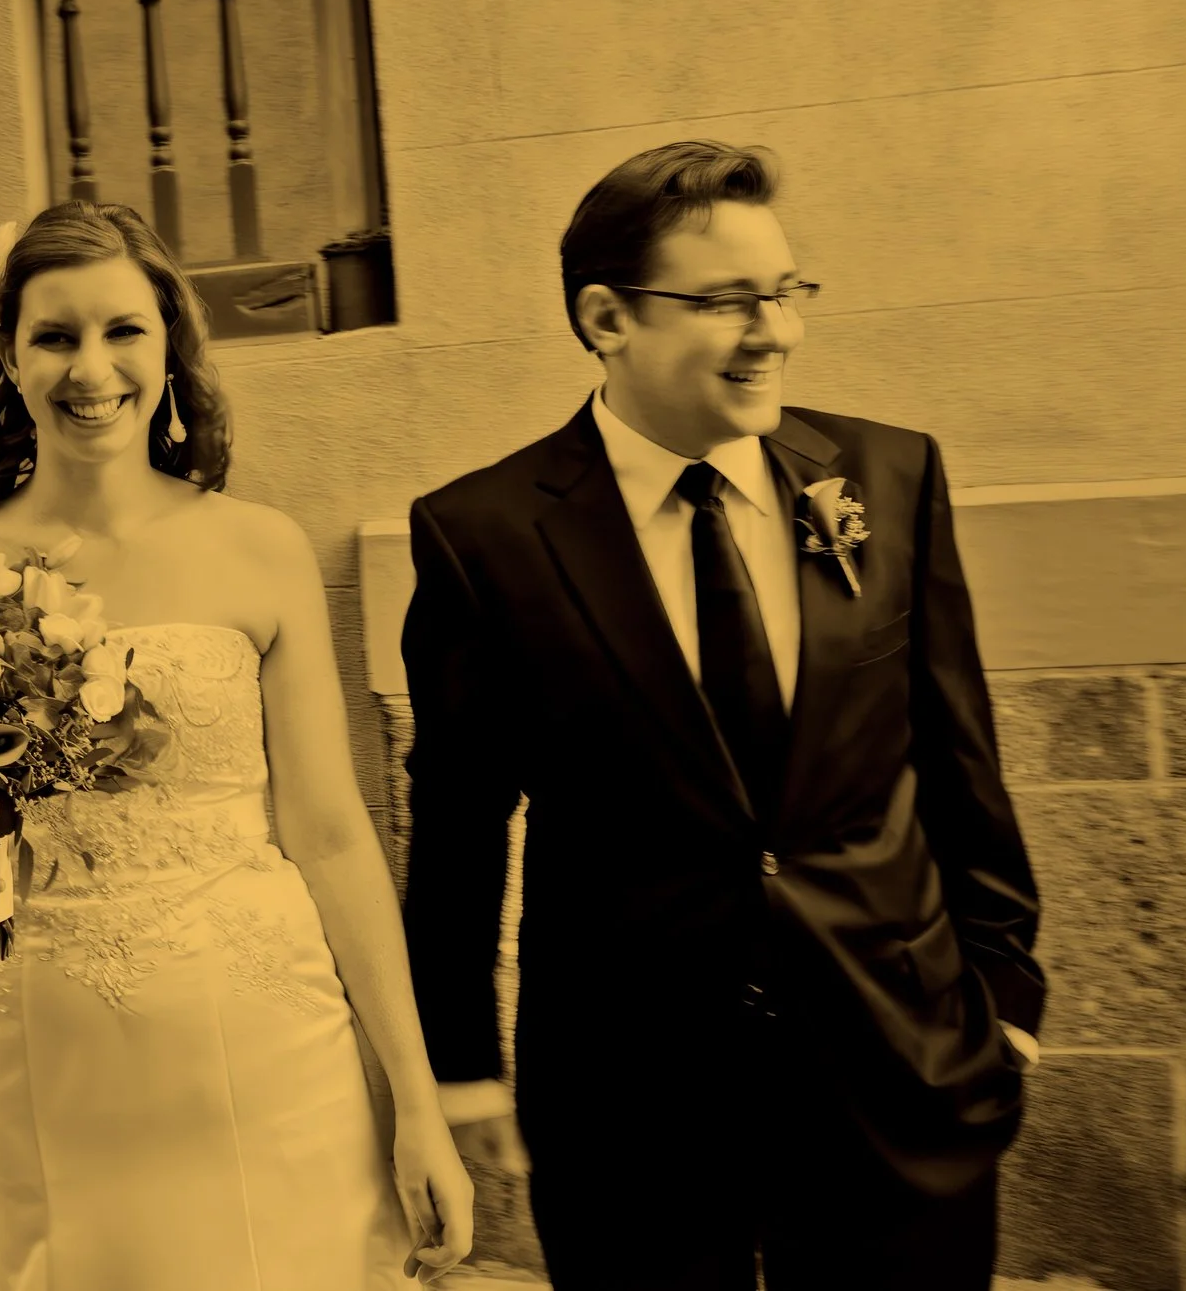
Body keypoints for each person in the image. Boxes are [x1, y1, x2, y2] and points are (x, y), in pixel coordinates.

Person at [400, 140, 1045, 1289]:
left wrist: (1005, 996)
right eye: (728, 301)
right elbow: (457, 826)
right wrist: (460, 1064)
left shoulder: (885, 476)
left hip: (901, 1067)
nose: (775, 330)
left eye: (787, 290)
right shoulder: (484, 535)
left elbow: (959, 757)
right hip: (631, 1101)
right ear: (607, 317)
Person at [0, 199, 472, 1289]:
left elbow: (330, 834)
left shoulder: (259, 548)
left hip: (273, 1035)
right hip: (62, 1040)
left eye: (122, 329)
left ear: (169, 339)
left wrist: (418, 1101)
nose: (91, 369)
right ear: (9, 359)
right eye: (54, 335)